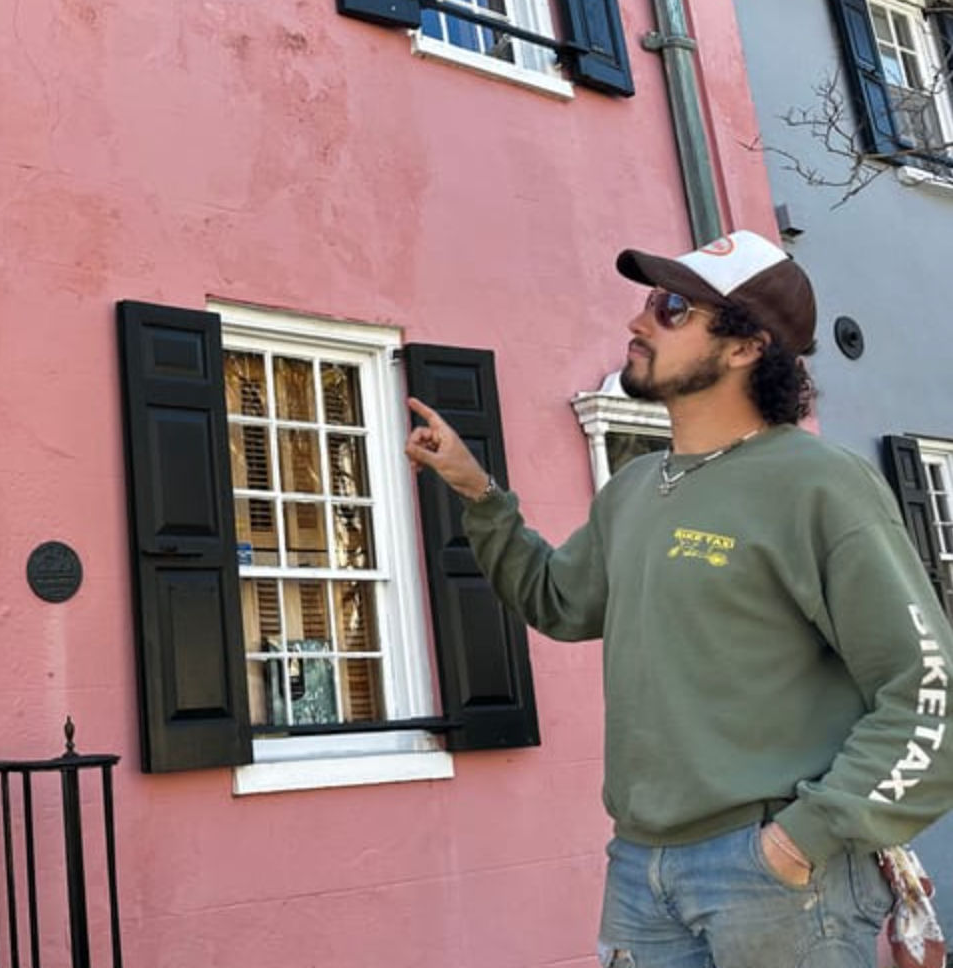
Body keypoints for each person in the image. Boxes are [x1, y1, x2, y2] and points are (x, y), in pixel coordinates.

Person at [404, 229, 953, 968]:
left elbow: (927, 693)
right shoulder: (636, 487)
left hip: (777, 878)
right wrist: (479, 494)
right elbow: (557, 601)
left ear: (745, 346)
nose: (637, 321)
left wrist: (801, 840)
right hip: (641, 868)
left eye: (671, 308)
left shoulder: (820, 484)